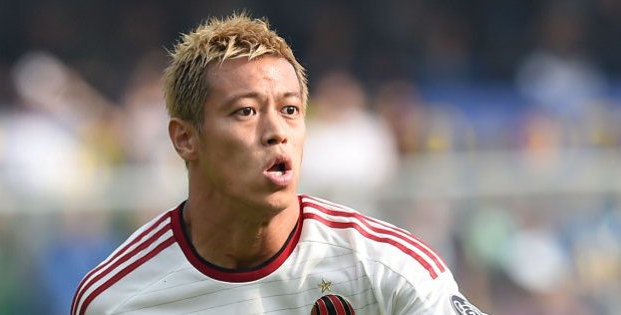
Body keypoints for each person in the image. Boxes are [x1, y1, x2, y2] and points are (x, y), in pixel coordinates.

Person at [72, 13, 484, 315]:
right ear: (185, 138)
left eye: (289, 110)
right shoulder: (117, 298)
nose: (276, 131)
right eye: (246, 112)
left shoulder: (387, 269)